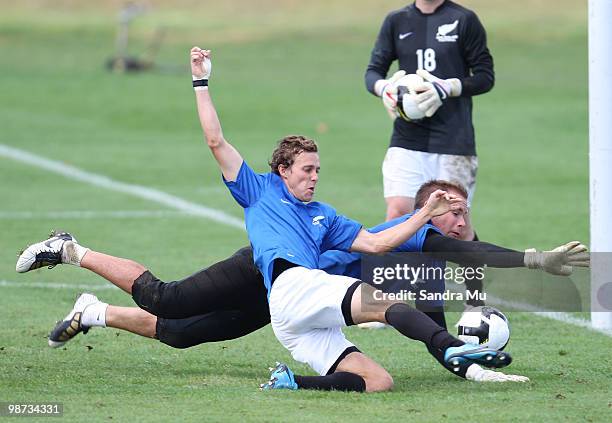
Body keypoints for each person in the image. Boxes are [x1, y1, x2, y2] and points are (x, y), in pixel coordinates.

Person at [16, 180, 587, 385]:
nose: (460, 222)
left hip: (299, 301)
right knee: (170, 299)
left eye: (463, 211)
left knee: (182, 334)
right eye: (449, 211)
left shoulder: (424, 258)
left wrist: (460, 356)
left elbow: (455, 278)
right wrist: (537, 262)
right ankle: (71, 249)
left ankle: (94, 312)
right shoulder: (405, 237)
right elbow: (471, 252)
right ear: (425, 215)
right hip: (272, 270)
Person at [187, 45, 521, 393]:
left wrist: (423, 214)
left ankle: (290, 382)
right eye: (308, 169)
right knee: (175, 313)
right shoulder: (257, 188)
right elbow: (215, 140)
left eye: (318, 169)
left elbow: (379, 243)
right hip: (296, 288)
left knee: (379, 382)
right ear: (283, 170)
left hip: (293, 320)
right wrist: (201, 80)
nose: (315, 176)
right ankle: (452, 346)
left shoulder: (325, 215)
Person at [365, 0, 495, 305]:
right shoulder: (396, 20)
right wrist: (384, 88)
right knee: (398, 212)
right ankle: (386, 299)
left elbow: (485, 76)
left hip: (453, 139)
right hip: (406, 137)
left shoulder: (463, 20)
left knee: (456, 222)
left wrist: (446, 87)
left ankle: (475, 300)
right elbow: (372, 72)